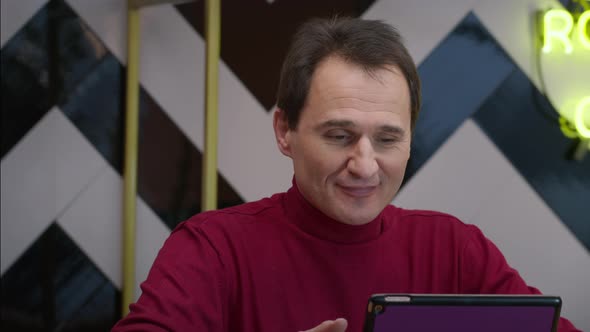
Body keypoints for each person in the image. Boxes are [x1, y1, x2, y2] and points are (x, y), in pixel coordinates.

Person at [112, 17, 580, 332]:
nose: (365, 165)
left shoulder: (456, 250)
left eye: (388, 139)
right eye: (339, 135)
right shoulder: (213, 249)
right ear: (284, 131)